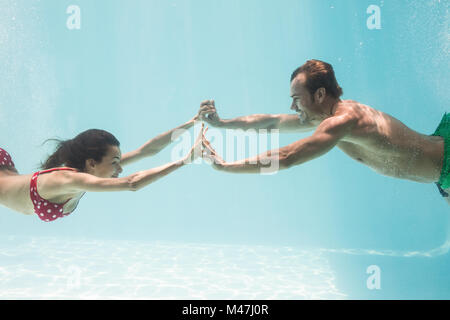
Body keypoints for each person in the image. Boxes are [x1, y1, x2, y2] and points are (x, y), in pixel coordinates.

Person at [199, 59, 449, 205]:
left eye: (296, 99)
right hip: (440, 170)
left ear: (319, 94)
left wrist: (225, 167)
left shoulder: (341, 121)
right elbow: (273, 122)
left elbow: (287, 158)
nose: (292, 107)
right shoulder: (328, 115)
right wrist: (222, 123)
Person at [0, 116, 205, 222]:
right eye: (115, 161)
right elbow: (131, 183)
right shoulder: (68, 179)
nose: (120, 167)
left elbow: (146, 150)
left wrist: (192, 122)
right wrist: (185, 160)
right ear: (91, 163)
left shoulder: (89, 171)